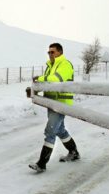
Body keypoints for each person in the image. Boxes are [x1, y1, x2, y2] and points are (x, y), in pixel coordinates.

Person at [29, 42, 80, 173]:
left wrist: (40, 78)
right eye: (49, 52)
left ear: (60, 52)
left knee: (50, 131)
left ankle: (41, 164)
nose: (50, 54)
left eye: (52, 52)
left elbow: (56, 79)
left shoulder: (65, 64)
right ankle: (74, 152)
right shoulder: (50, 66)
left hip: (61, 103)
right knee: (60, 130)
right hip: (51, 102)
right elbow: (47, 82)